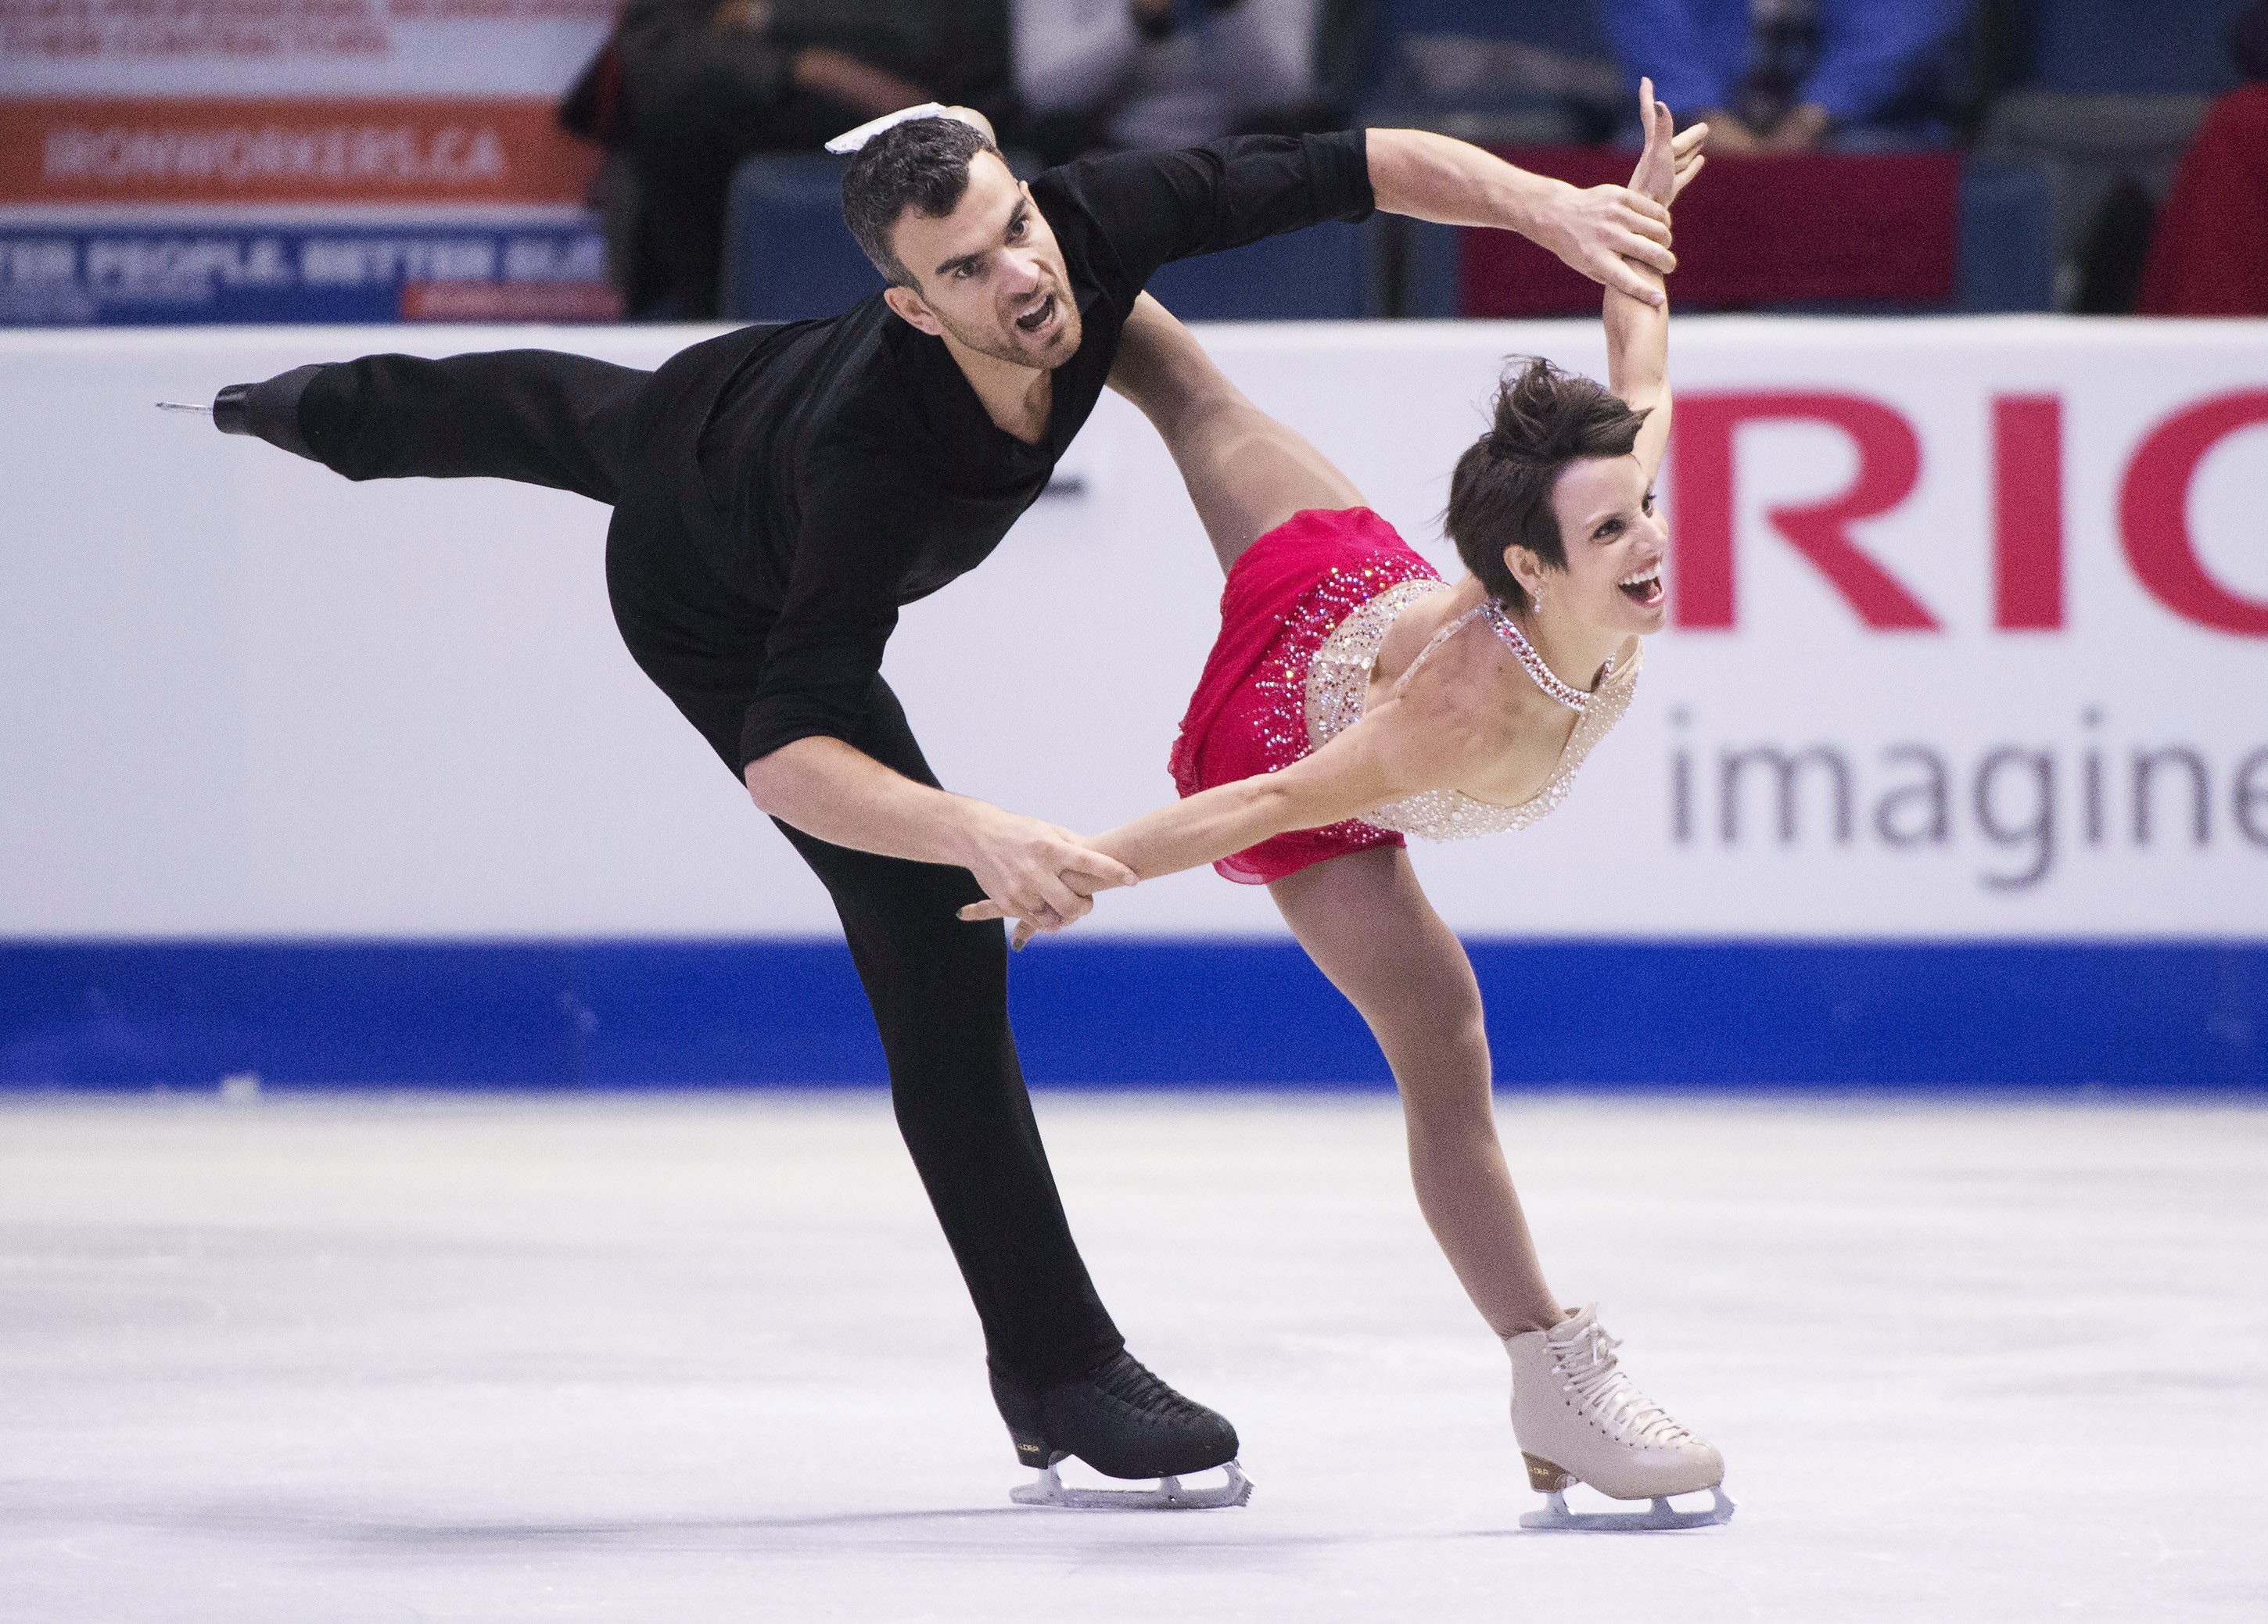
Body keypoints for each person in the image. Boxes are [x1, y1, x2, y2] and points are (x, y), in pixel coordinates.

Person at [189, 110, 1683, 1507]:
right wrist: (983, 827)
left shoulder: (1083, 237)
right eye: (966, 270)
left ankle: (319, 403)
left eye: (1016, 228)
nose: (1023, 274)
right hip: (723, 592)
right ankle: (1053, 1361)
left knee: (569, 410)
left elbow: (1352, 163)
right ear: (913, 306)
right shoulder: (875, 459)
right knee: (930, 925)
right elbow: (790, 752)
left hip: (728, 394)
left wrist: (1556, 207)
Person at [964, 83, 1732, 1529]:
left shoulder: (1582, 542)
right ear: (1527, 569)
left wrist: (1640, 224)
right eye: (1615, 529)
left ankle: (1024, 235)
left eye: (1642, 509)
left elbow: (1643, 354)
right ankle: (1552, 1372)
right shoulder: (1449, 715)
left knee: (1184, 380)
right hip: (1298, 728)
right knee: (1443, 1032)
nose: (1652, 543)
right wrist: (1074, 866)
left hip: (1348, 585)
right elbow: (1262, 795)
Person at [562, 0, 1013, 316]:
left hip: (913, 100)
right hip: (751, 107)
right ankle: (701, 332)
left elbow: (937, 31)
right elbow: (659, 49)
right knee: (679, 114)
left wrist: (768, 13)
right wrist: (800, 66)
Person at [1601, 0, 1969, 152]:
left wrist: (1814, 117)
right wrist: (1707, 119)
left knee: (1880, 157)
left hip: (1860, 130)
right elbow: (1651, 24)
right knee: (1646, 160)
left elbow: (1902, 29)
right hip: (1688, 131)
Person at [1011, 0, 1337, 162]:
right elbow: (1044, 92)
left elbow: (1289, 90)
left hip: (1243, 161)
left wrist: (1228, 9)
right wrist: (1140, 22)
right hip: (1105, 161)